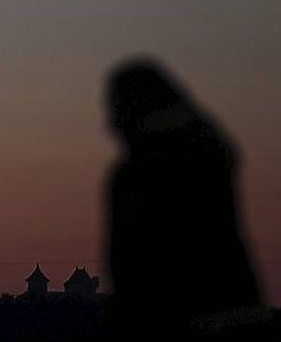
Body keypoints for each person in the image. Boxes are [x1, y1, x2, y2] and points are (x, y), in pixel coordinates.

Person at [102, 57, 261, 337]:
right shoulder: (209, 151)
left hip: (168, 317)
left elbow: (130, 264)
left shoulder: (138, 172)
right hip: (235, 307)